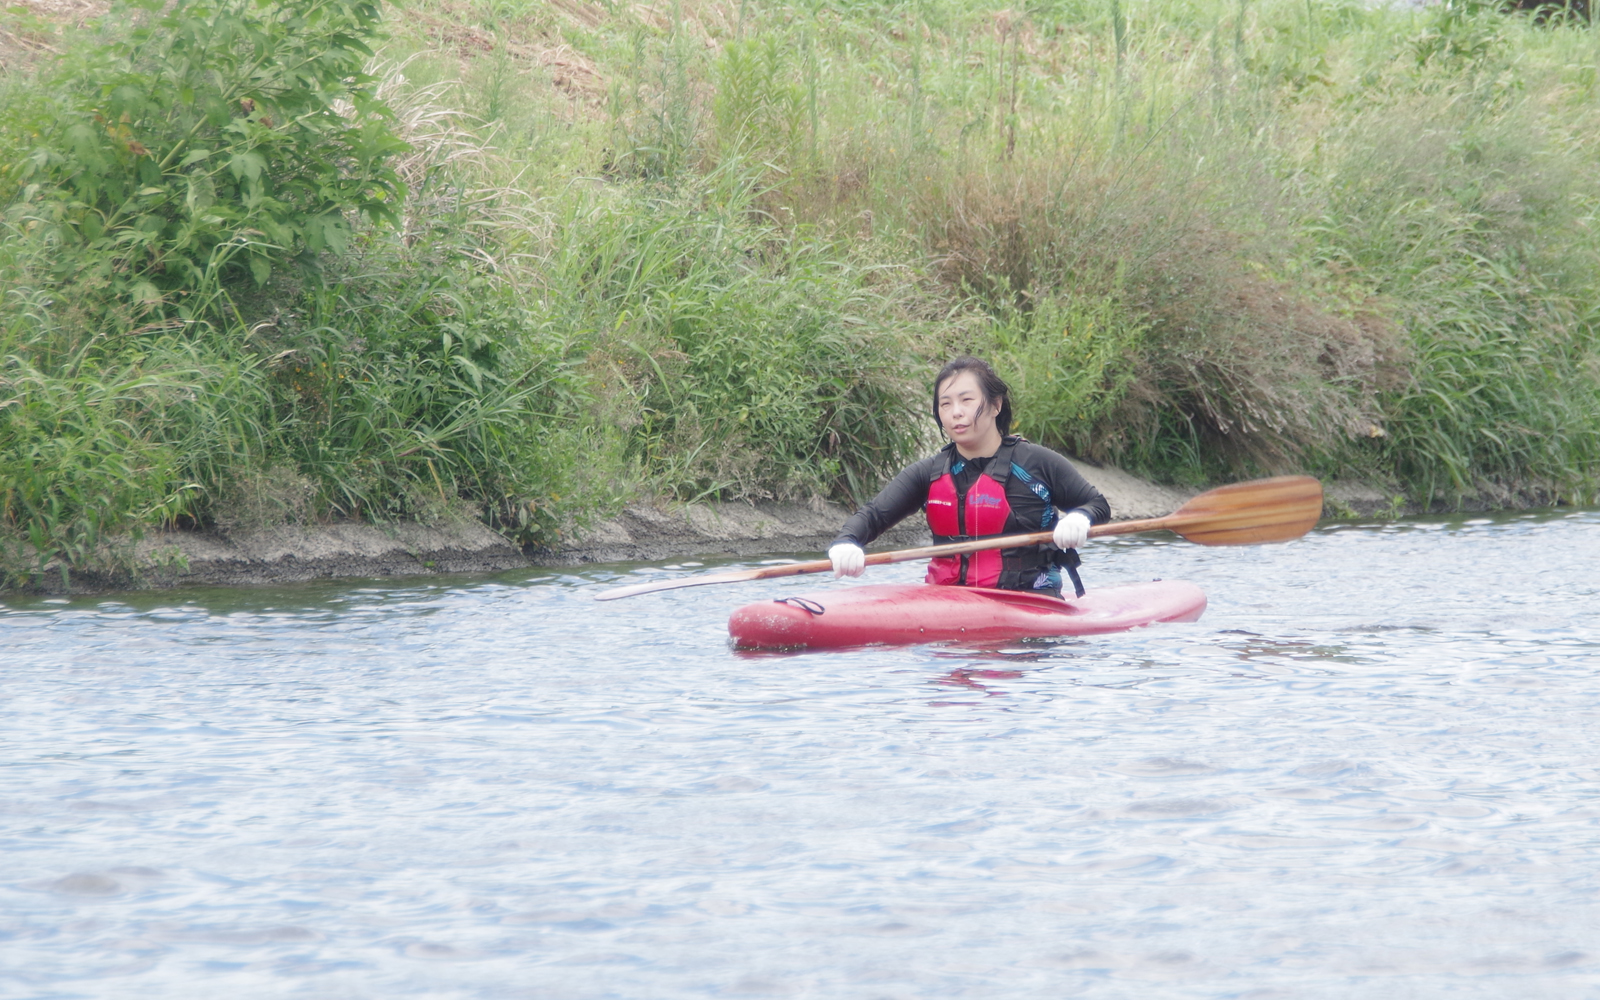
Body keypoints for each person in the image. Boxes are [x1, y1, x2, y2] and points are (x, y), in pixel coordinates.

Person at [828, 356, 1110, 598]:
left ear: (995, 405)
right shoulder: (928, 472)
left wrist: (1080, 518)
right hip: (947, 601)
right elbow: (873, 515)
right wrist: (847, 542)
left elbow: (1097, 504)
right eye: (946, 404)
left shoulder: (1038, 463)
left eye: (966, 400)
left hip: (1029, 603)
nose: (956, 413)